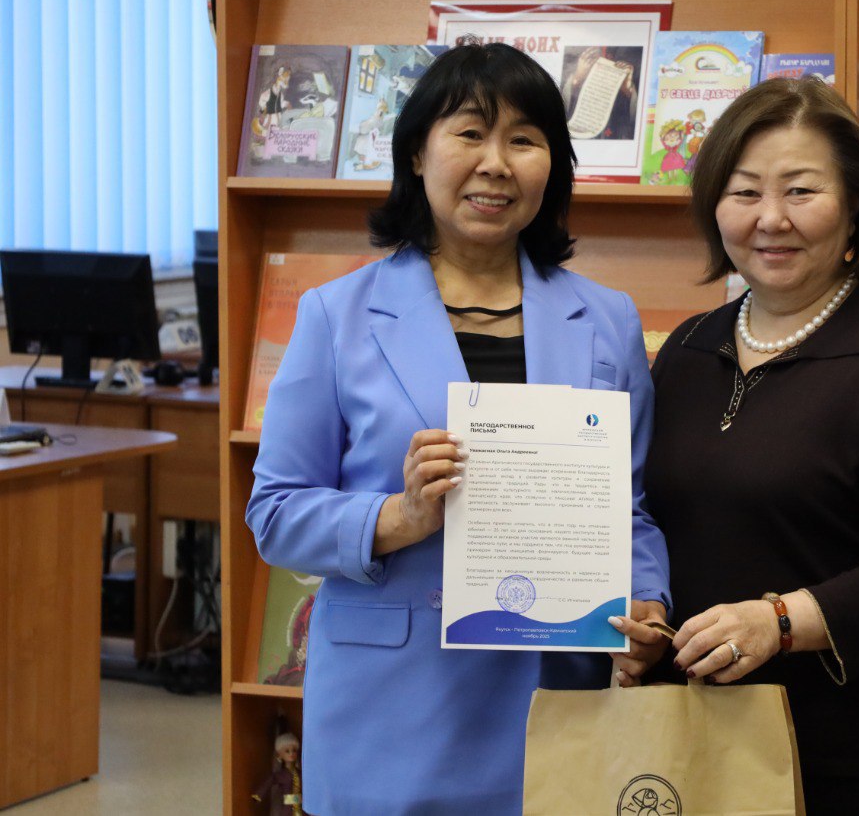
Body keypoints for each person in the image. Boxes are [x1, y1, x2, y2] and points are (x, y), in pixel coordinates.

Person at [246, 42, 671, 815]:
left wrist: (646, 601)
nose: (496, 164)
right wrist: (398, 516)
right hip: (393, 704)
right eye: (470, 133)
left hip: (559, 690)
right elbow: (275, 514)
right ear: (417, 153)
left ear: (554, 165)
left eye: (524, 140)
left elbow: (629, 507)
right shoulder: (336, 316)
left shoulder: (608, 320)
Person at [642, 76, 859, 814]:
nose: (771, 219)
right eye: (744, 192)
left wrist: (779, 621)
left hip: (850, 749)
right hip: (690, 734)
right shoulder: (687, 348)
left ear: (854, 205)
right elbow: (649, 515)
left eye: (801, 191)